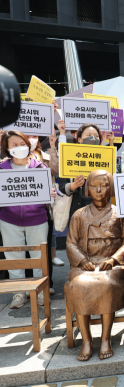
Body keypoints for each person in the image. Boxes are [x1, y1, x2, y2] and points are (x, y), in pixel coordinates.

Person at [64, 170, 124, 361]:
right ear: (87, 188)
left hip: (113, 265)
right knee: (78, 286)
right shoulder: (79, 215)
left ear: (111, 187)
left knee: (106, 285)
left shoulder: (121, 213)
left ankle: (105, 339)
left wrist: (113, 260)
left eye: (104, 185)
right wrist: (83, 261)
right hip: (84, 264)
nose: (99, 190)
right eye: (94, 185)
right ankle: (86, 340)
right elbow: (70, 243)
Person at [0, 131, 52, 308]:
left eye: (21, 143)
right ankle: (18, 293)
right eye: (13, 145)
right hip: (9, 220)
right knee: (14, 257)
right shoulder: (1, 168)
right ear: (7, 148)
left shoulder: (40, 168)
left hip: (37, 220)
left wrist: (50, 193)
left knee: (39, 258)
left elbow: (49, 194)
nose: (19, 147)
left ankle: (40, 292)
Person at [59, 124, 105, 224]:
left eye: (96, 136)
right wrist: (74, 185)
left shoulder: (105, 159)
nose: (92, 138)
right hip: (78, 208)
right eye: (88, 135)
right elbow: (61, 188)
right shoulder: (69, 156)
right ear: (79, 139)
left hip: (100, 210)